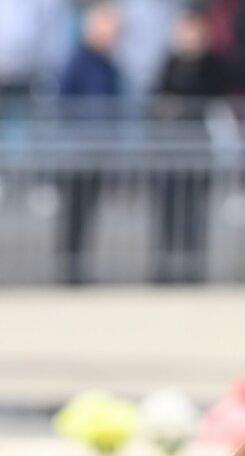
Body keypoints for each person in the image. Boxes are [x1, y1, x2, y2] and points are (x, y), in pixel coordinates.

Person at [150, 7, 227, 283]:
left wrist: (180, 107)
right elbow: (157, 98)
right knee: (167, 210)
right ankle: (165, 265)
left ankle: (194, 266)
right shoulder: (169, 62)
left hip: (197, 149)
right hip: (169, 149)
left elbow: (212, 97)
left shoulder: (211, 65)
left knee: (195, 211)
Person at [57, 1, 122, 284]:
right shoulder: (77, 61)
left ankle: (80, 267)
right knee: (74, 213)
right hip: (76, 150)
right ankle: (69, 268)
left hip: (99, 150)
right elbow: (62, 102)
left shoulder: (110, 65)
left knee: (89, 214)